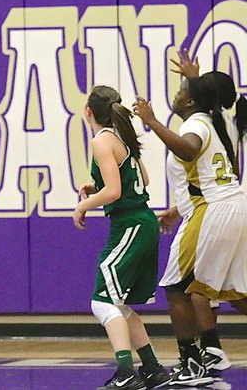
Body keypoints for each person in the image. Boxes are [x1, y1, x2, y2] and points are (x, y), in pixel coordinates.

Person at [135, 72, 247, 385]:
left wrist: (153, 121)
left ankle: (194, 361)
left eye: (183, 89)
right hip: (229, 205)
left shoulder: (196, 123)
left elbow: (188, 150)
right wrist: (176, 209)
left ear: (191, 101)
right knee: (233, 291)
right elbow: (218, 172)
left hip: (212, 211)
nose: (177, 93)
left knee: (178, 286)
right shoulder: (215, 122)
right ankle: (205, 353)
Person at [73, 85, 170, 390]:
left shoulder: (101, 140)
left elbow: (114, 192)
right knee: (119, 304)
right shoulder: (122, 137)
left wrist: (83, 205)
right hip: (141, 223)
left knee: (102, 302)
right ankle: (152, 368)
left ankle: (126, 373)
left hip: (130, 225)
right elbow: (142, 178)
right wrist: (95, 183)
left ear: (88, 112)